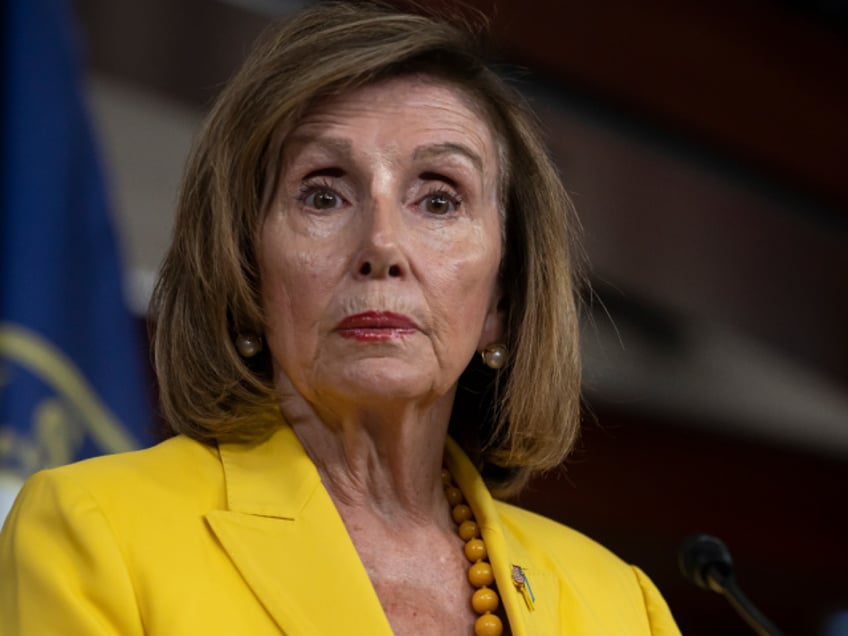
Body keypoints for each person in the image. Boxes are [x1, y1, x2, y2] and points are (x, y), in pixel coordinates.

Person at [0, 2, 680, 634]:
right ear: (246, 271)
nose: (381, 246)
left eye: (439, 200)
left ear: (500, 302)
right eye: (323, 195)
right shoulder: (97, 532)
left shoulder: (619, 603)